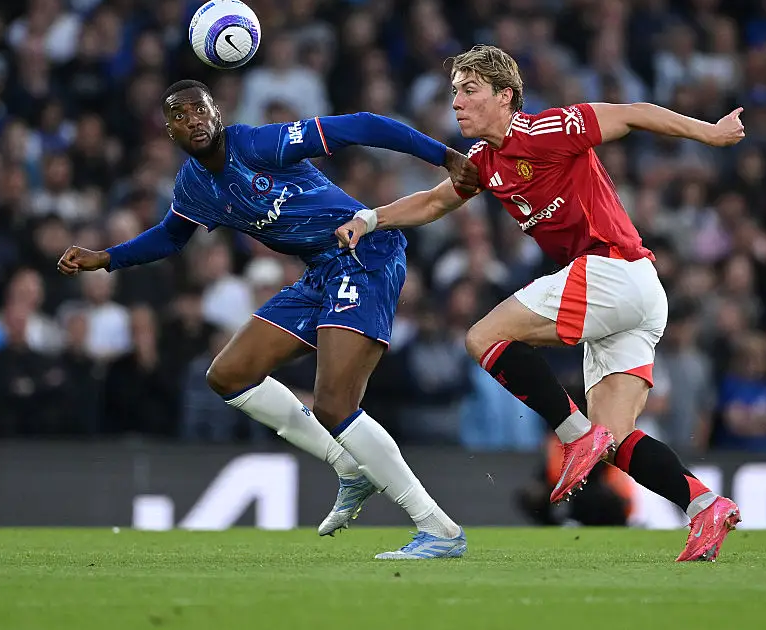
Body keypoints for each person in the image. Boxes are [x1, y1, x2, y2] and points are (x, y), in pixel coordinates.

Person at [337, 45, 745, 562]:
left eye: (469, 90)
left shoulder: (549, 129)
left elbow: (632, 114)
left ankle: (573, 435)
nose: (456, 103)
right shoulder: (485, 163)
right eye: (454, 92)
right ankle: (704, 505)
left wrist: (708, 132)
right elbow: (434, 202)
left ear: (505, 96)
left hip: (611, 270)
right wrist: (370, 219)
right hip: (637, 294)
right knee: (616, 439)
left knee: (483, 337)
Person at [58, 80, 478, 560]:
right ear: (168, 132)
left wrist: (444, 156)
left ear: (217, 112)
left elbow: (360, 125)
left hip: (364, 254)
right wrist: (106, 258)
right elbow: (171, 237)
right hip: (321, 272)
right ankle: (349, 467)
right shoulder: (193, 185)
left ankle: (437, 528)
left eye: (199, 109)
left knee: (334, 406)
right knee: (228, 375)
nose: (192, 120)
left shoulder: (259, 144)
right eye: (179, 115)